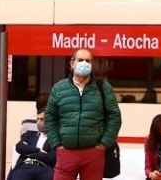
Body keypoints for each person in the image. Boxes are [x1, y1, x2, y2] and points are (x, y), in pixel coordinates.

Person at [44, 48, 121, 180]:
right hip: (66, 152)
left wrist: (103, 144)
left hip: (94, 153)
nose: (84, 63)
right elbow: (50, 117)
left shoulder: (103, 87)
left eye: (88, 61)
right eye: (80, 60)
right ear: (72, 63)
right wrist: (56, 144)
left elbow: (114, 117)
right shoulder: (59, 88)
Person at [8, 108, 55, 180]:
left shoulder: (55, 138)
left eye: (42, 119)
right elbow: (19, 147)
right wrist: (38, 150)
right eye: (38, 119)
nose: (39, 122)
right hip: (25, 166)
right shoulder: (29, 134)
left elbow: (52, 158)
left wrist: (29, 153)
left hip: (44, 169)